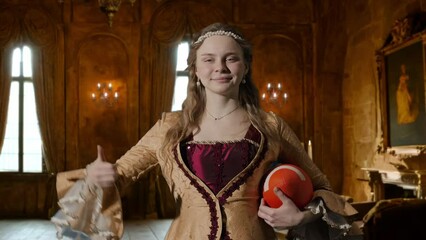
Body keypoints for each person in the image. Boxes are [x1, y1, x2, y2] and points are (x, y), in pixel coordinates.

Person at [51, 22, 357, 240]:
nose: (220, 68)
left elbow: (323, 186)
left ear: (245, 67)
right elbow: (121, 173)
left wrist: (302, 216)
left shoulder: (271, 126)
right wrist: (96, 176)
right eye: (208, 60)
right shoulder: (170, 127)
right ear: (196, 70)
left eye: (231, 58)